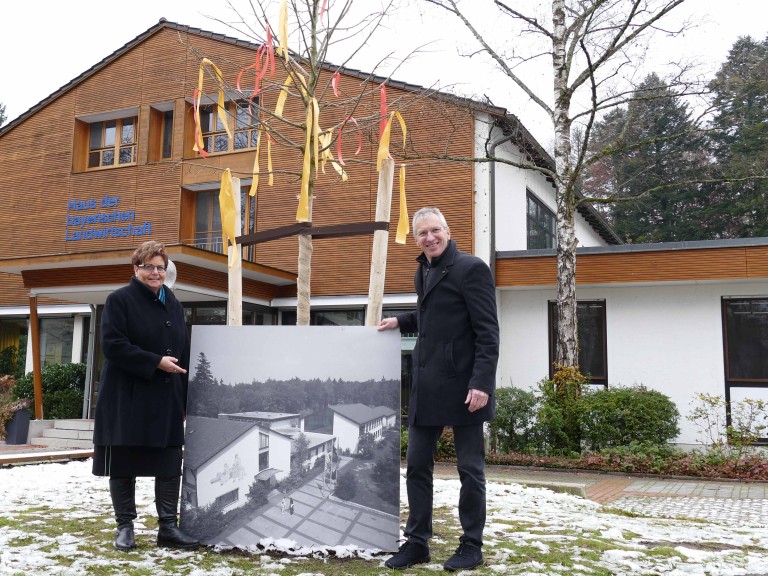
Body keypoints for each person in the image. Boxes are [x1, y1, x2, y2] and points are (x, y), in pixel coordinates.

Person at [379, 207, 499, 572]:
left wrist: (481, 383)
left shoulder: (471, 268)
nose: (429, 238)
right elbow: (432, 317)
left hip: (465, 387)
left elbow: (487, 332)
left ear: (447, 230)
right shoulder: (423, 269)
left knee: (470, 469)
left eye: (434, 231)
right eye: (421, 234)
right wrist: (401, 320)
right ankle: (417, 543)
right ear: (415, 239)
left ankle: (471, 545)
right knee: (416, 465)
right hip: (426, 385)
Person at [92, 241, 199, 552]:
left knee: (168, 463)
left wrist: (189, 398)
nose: (155, 273)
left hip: (167, 399)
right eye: (149, 267)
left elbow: (185, 352)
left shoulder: (174, 304)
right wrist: (155, 362)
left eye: (160, 268)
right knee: (124, 462)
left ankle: (168, 527)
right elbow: (112, 345)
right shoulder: (119, 300)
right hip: (127, 397)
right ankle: (125, 526)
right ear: (136, 269)